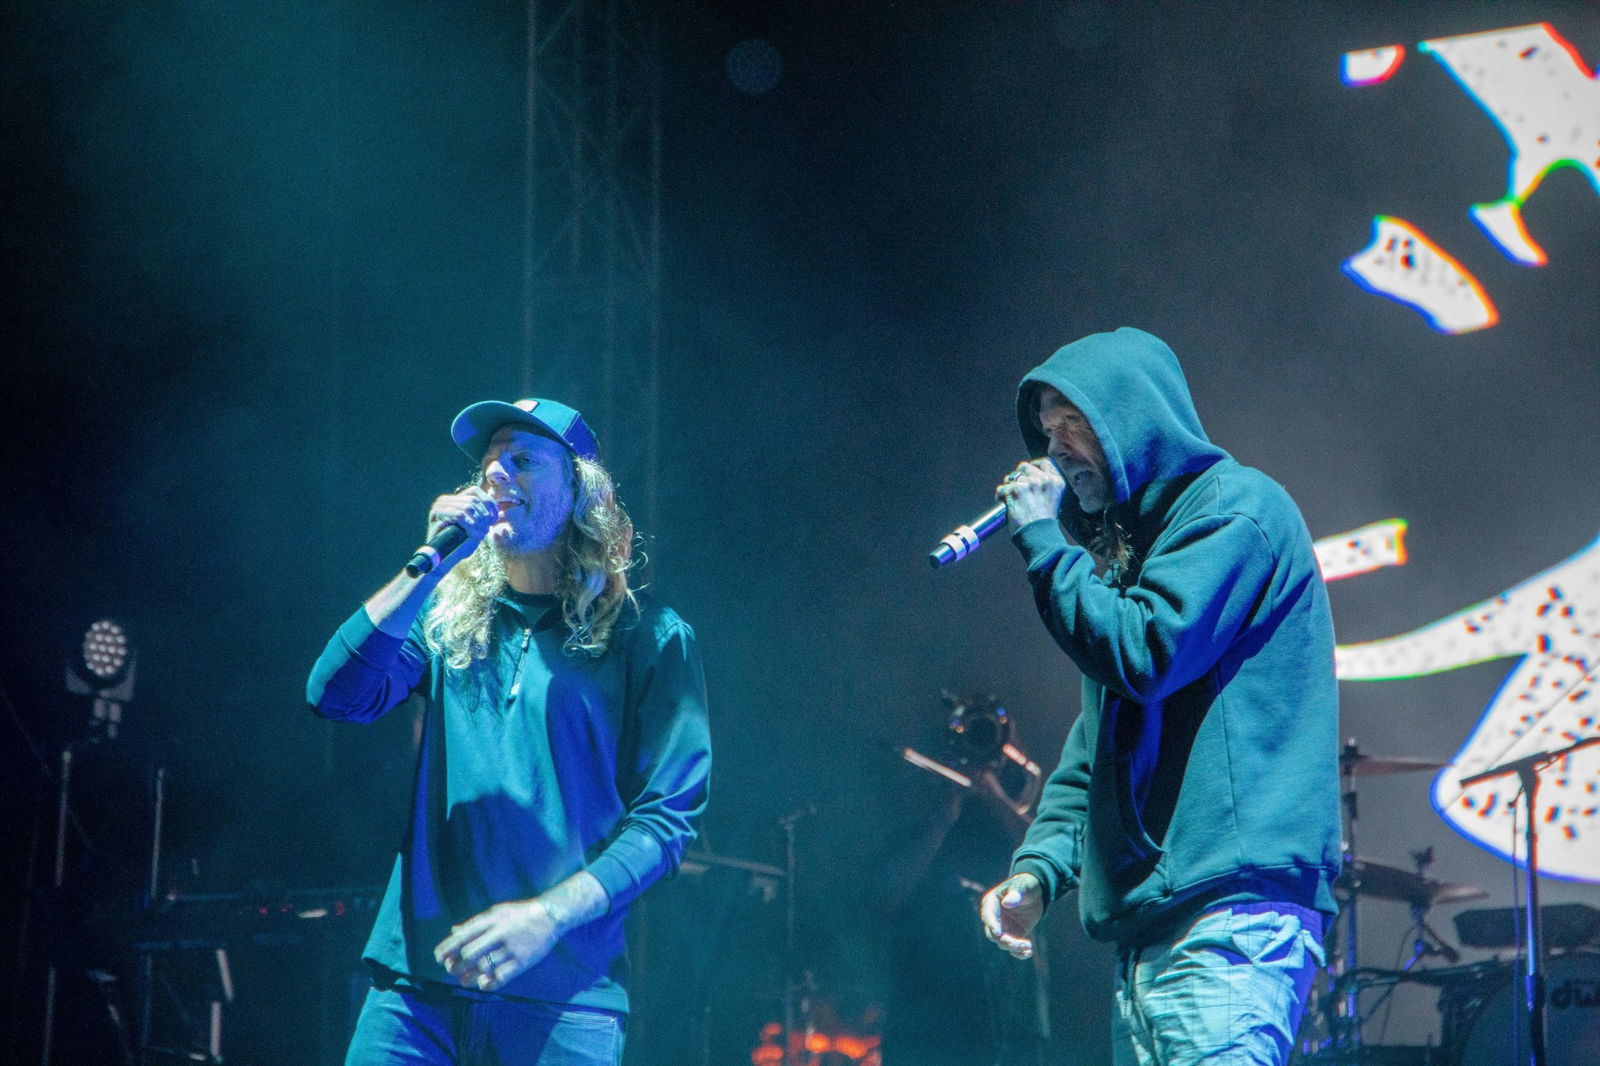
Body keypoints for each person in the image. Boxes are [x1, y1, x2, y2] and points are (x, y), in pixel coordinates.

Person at [307, 397, 711, 1066]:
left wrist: (548, 916)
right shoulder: (446, 618)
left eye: (523, 460)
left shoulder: (650, 636)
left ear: (581, 491)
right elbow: (335, 695)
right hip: (414, 988)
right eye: (490, 462)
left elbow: (668, 819)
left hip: (565, 998)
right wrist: (427, 567)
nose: (496, 474)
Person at [978, 328, 1340, 1065]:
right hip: (1154, 938)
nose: (1056, 450)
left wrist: (1044, 542)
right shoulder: (1131, 566)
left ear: (1132, 418)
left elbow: (1146, 653)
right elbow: (1094, 752)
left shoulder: (1235, 512)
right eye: (1047, 430)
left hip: (1228, 921)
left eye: (1073, 423)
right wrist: (1038, 871)